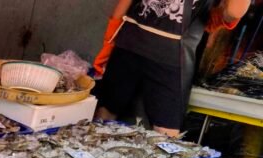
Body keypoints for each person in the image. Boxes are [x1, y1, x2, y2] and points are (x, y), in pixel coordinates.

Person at [93, 0, 249, 136]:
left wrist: (110, 37)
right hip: (167, 54)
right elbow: (233, 12)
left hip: (131, 42)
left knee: (103, 119)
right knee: (165, 135)